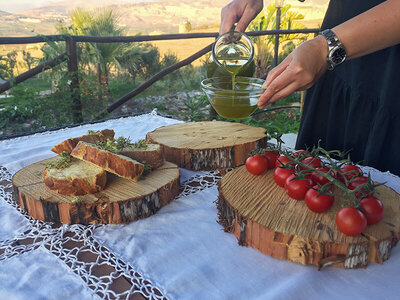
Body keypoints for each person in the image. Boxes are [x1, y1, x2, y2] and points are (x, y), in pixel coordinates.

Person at [220, 0, 400, 176]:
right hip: (335, 63)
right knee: (313, 181)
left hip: (388, 81)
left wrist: (326, 48)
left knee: (381, 193)